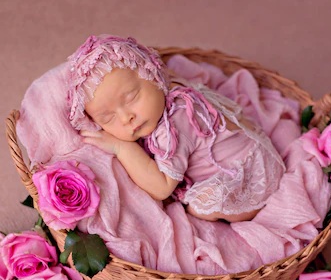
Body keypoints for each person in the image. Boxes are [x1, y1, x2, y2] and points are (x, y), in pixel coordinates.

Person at [67, 35, 285, 222]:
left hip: (250, 180)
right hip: (256, 153)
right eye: (108, 117)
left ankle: (248, 211)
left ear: (154, 76)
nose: (126, 118)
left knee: (197, 207)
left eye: (132, 97)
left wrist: (121, 148)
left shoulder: (171, 127)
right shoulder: (174, 90)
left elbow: (161, 188)